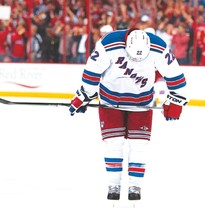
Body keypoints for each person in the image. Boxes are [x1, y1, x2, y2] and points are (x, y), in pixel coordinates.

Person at [69, 29, 189, 201]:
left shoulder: (159, 48)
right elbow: (91, 72)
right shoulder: (108, 43)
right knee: (113, 143)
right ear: (126, 46)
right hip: (111, 100)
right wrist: (84, 94)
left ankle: (135, 185)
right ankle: (114, 184)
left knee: (139, 144)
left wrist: (176, 100)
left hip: (141, 102)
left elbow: (176, 76)